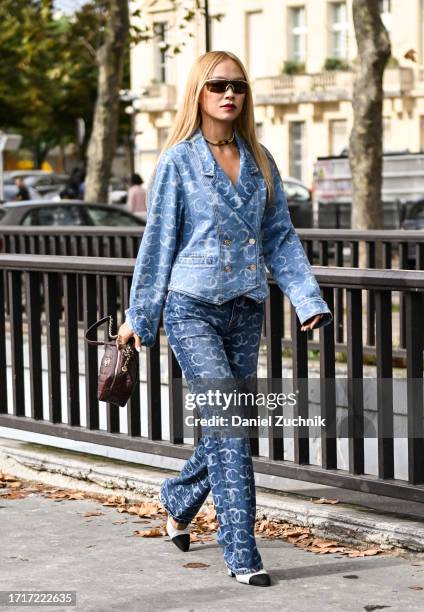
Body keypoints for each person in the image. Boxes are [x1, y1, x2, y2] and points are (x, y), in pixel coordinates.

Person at [117, 50, 332, 587]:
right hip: (191, 307)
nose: (229, 94)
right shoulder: (177, 161)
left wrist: (308, 300)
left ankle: (178, 497)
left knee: (226, 427)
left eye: (237, 85)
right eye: (217, 86)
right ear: (199, 93)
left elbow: (280, 234)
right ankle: (242, 551)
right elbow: (157, 242)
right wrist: (139, 316)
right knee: (231, 428)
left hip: (246, 306)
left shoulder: (260, 158)